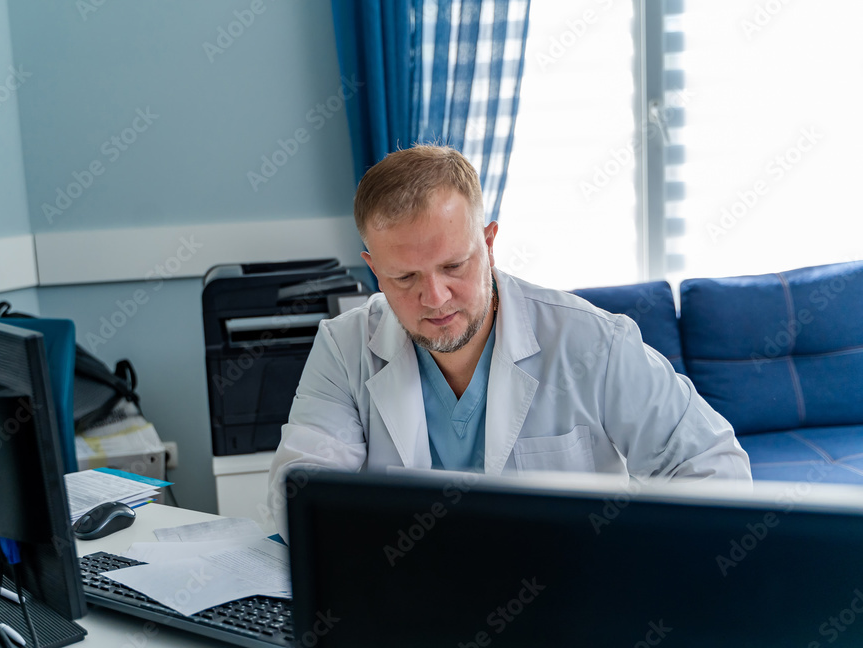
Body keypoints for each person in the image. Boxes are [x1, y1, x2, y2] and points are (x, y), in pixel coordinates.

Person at [267, 145, 751, 539]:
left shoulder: (593, 343)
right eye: (404, 276)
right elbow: (300, 494)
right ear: (374, 269)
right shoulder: (343, 346)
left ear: (489, 242)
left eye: (454, 266)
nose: (434, 298)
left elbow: (710, 465)